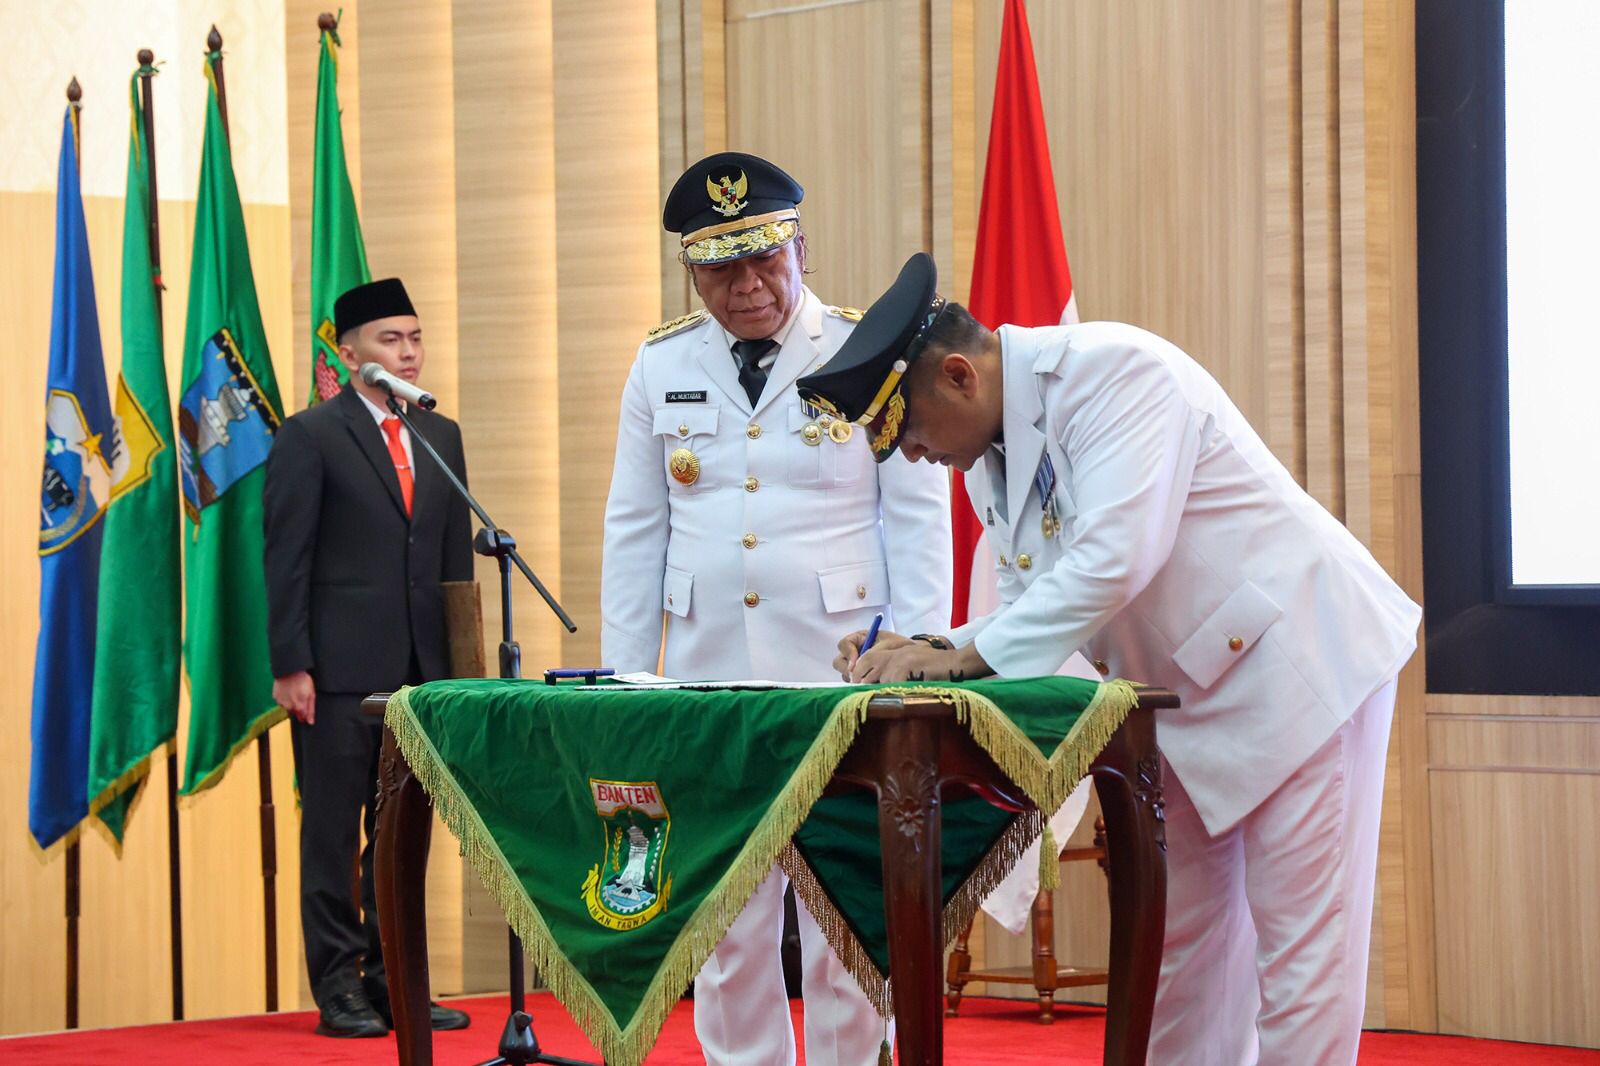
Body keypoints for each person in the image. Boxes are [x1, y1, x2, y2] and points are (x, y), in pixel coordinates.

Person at [801, 253, 1421, 1065]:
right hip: (1186, 705)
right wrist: (930, 648)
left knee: (1301, 961)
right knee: (1185, 956)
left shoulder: (1115, 375)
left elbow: (1114, 559)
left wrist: (963, 656)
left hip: (1299, 675)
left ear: (958, 375)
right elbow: (1039, 599)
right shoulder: (992, 452)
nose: (916, 457)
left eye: (910, 432)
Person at [600, 154, 952, 1065]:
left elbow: (915, 520)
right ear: (692, 270)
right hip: (709, 677)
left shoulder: (859, 349)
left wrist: (923, 656)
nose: (748, 288)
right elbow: (636, 531)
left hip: (843, 670)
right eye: (721, 269)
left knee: (842, 908)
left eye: (766, 262)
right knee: (725, 913)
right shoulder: (661, 362)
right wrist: (628, 681)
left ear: (802, 248)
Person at [264, 277, 473, 1038]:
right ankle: (338, 988)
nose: (408, 351)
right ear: (348, 353)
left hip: (419, 678)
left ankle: (395, 982)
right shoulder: (310, 435)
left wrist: (459, 678)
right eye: (391, 339)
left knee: (400, 837)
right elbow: (285, 558)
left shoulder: (439, 436)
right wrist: (292, 664)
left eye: (415, 337)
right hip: (336, 674)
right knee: (330, 836)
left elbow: (456, 567)